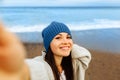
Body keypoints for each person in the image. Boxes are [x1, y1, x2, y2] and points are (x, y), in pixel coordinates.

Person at [26, 21, 91, 80]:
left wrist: (68, 45)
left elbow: (85, 56)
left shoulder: (73, 64)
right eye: (58, 38)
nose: (65, 41)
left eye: (68, 37)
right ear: (48, 44)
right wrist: (66, 45)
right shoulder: (40, 66)